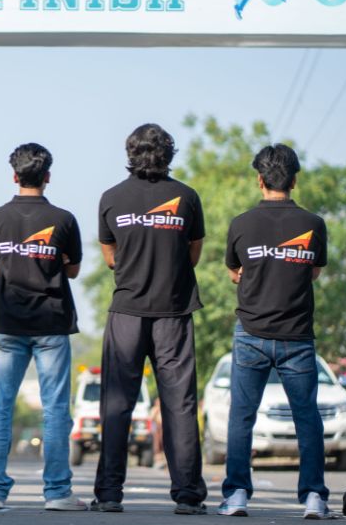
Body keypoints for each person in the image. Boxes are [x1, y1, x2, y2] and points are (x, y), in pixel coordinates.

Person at [93, 124, 208, 515]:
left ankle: (109, 494)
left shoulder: (111, 198)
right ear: (169, 154)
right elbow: (193, 254)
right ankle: (188, 495)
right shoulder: (186, 198)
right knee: (179, 405)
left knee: (116, 404)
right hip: (173, 313)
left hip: (126, 313)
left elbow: (110, 257)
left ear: (130, 152)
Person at [218, 144, 332, 519]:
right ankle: (314, 497)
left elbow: (235, 272)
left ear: (260, 179)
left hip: (251, 332)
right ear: (294, 180)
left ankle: (236, 496)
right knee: (307, 418)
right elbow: (313, 271)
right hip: (297, 337)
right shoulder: (314, 224)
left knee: (242, 417)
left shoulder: (241, 223)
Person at [0, 143, 86, 511]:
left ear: (14, 175)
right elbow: (71, 270)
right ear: (47, 177)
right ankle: (57, 493)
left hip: (8, 323)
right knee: (55, 409)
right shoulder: (64, 219)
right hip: (52, 325)